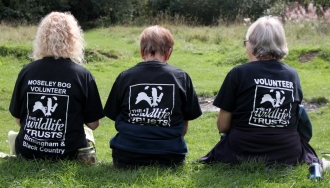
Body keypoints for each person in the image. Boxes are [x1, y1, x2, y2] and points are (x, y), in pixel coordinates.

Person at [199, 16, 319, 165]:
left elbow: (222, 126)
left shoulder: (238, 73)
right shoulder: (292, 74)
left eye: (246, 43)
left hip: (241, 151)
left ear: (253, 44)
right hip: (287, 152)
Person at [103, 25, 202, 169]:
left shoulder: (125, 77)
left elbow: (114, 114)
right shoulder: (181, 77)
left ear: (142, 51)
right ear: (169, 53)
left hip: (126, 156)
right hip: (170, 156)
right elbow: (184, 125)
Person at [9, 12, 104, 160]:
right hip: (69, 152)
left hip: (28, 151)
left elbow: (19, 120)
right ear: (73, 39)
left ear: (41, 38)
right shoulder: (82, 75)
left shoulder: (27, 71)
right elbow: (93, 124)